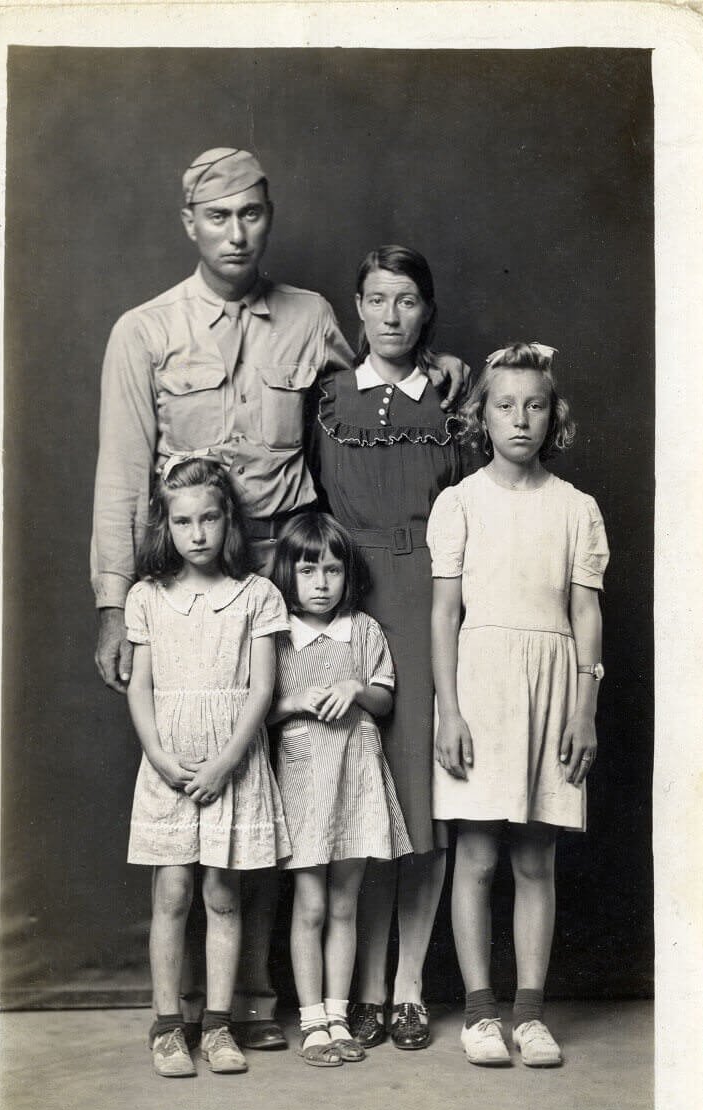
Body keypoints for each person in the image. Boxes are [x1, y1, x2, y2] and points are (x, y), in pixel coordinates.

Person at [91, 150, 466, 1046]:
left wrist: (440, 367)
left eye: (251, 215)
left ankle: (268, 1001)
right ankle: (201, 1010)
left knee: (292, 780)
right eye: (217, 217)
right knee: (206, 775)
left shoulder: (309, 316)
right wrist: (114, 602)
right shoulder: (142, 331)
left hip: (299, 588)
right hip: (195, 589)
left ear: (269, 218)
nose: (236, 232)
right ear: (189, 222)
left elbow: (368, 392)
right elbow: (119, 477)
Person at [427, 342, 609, 1067]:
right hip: (480, 686)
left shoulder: (577, 508)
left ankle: (530, 1013)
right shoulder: (460, 501)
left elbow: (587, 612)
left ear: (552, 415)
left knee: (537, 857)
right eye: (505, 405)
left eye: (535, 405)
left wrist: (585, 706)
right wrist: (449, 710)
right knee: (474, 855)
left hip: (554, 683)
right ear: (483, 416)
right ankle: (480, 1014)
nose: (520, 419)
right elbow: (444, 614)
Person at [309, 246, 473, 1050]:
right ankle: (362, 987)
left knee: (419, 801)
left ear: (426, 310)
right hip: (346, 596)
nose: (392, 316)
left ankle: (408, 987)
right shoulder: (331, 397)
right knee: (357, 795)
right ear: (358, 307)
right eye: (377, 300)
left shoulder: (454, 401)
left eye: (408, 300)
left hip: (428, 599)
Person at [124, 456, 290, 1076]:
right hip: (169, 764)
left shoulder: (257, 595)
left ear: (229, 521)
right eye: (183, 521)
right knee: (172, 891)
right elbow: (140, 688)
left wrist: (225, 762)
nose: (197, 533)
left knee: (222, 892)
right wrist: (162, 759)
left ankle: (219, 1024)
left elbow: (260, 691)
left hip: (231, 764)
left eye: (209, 519)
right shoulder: (147, 597)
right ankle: (170, 1026)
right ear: (166, 525)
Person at [269, 514, 412, 1066]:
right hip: (306, 784)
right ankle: (311, 1022)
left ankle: (337, 1013)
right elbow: (263, 709)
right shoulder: (280, 636)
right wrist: (297, 703)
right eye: (309, 571)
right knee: (309, 905)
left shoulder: (363, 630)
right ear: (290, 574)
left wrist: (357, 688)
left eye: (332, 570)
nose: (322, 583)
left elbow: (386, 698)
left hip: (355, 783)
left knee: (344, 904)